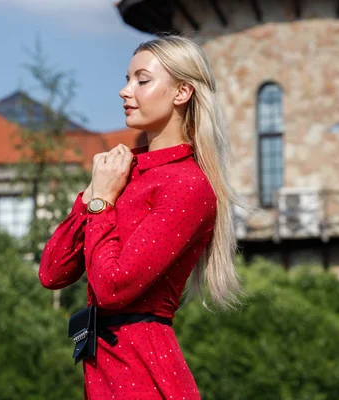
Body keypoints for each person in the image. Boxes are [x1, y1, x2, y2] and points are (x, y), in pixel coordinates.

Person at [38, 35, 242, 399]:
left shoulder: (188, 186)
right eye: (127, 78)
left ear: (182, 92)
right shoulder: (120, 173)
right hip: (104, 370)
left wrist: (100, 203)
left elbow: (114, 287)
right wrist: (93, 195)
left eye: (141, 80)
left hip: (145, 373)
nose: (123, 91)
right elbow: (52, 272)